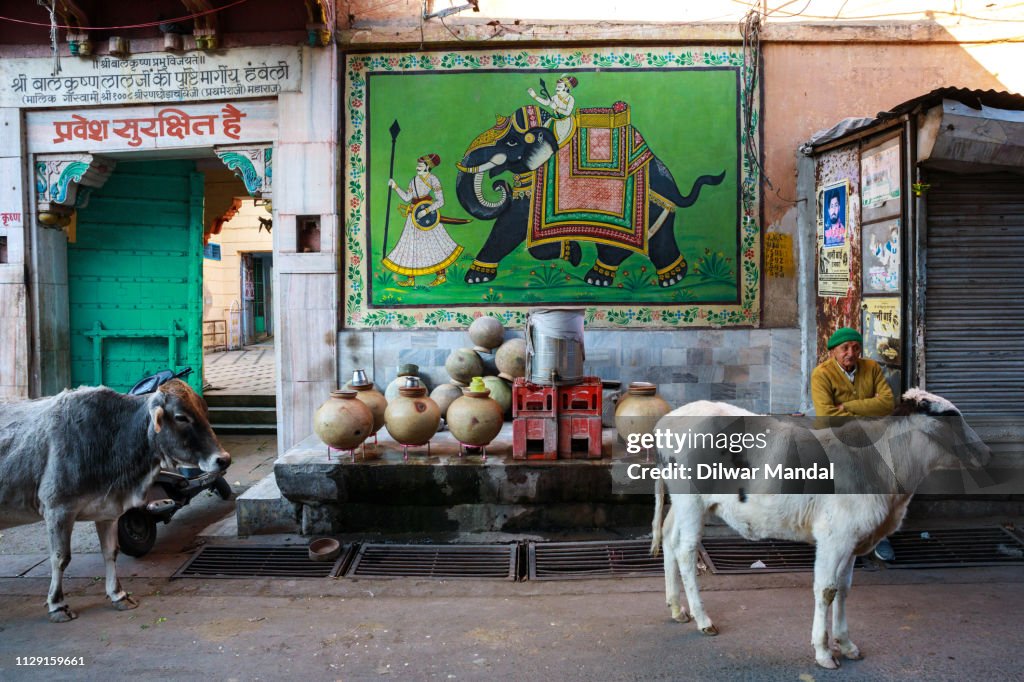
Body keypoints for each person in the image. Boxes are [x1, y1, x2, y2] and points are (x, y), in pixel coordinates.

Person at [811, 326, 897, 561]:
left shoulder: (871, 368)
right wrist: (869, 407)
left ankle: (878, 535)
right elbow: (826, 416)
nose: (851, 352)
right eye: (845, 348)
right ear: (833, 352)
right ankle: (834, 533)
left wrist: (849, 407)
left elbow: (888, 403)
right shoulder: (822, 374)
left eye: (856, 347)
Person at [383, 153, 464, 287]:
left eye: (420, 166)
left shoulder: (433, 179)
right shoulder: (413, 180)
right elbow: (407, 198)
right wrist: (395, 186)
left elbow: (441, 201)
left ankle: (441, 276)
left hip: (428, 218)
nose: (417, 168)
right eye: (417, 165)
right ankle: (410, 279)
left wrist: (426, 211)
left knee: (434, 246)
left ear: (427, 167)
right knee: (410, 245)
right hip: (413, 217)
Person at [528, 75, 577, 146]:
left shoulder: (570, 98)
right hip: (554, 119)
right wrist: (534, 96)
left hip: (565, 122)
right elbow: (546, 102)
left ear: (566, 88)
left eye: (559, 87)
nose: (556, 88)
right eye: (557, 86)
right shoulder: (555, 97)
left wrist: (556, 108)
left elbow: (567, 113)